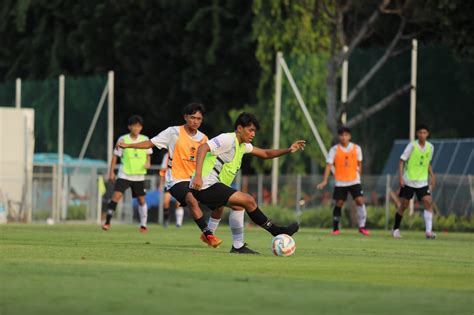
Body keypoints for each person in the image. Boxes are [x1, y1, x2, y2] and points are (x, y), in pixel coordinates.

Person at [190, 112, 305, 248]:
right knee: (248, 200)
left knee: (239, 206)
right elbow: (203, 147)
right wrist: (198, 175)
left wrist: (288, 150)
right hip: (204, 184)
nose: (253, 134)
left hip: (211, 185)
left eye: (254, 131)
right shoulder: (228, 139)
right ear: (239, 128)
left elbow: (265, 153)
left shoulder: (242, 146)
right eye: (250, 130)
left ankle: (236, 245)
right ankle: (276, 231)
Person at [117, 103, 223, 248]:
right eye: (192, 117)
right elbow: (151, 143)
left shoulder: (204, 138)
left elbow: (210, 160)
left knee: (220, 203)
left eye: (199, 118)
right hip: (176, 180)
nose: (196, 121)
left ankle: (230, 238)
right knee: (191, 199)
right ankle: (208, 235)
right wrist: (128, 146)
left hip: (196, 180)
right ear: (185, 117)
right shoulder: (173, 132)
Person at [103, 115, 152, 233]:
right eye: (134, 126)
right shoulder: (122, 139)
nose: (136, 128)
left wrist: (148, 163)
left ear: (141, 128)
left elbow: (148, 155)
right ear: (129, 127)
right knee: (116, 197)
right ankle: (107, 222)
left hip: (139, 176)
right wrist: (111, 172)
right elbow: (115, 156)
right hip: (124, 174)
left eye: (139, 126)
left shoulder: (145, 139)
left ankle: (143, 225)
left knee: (141, 200)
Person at [317, 127, 370, 236]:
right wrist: (324, 180)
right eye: (341, 135)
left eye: (346, 135)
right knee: (339, 203)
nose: (343, 137)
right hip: (340, 182)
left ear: (349, 136)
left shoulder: (356, 148)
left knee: (360, 201)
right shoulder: (334, 150)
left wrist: (359, 176)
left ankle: (362, 226)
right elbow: (328, 165)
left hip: (354, 180)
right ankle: (335, 228)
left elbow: (359, 164)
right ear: (338, 136)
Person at [393, 124, 436, 239]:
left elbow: (427, 163)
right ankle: (395, 229)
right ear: (417, 134)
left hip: (422, 182)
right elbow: (401, 161)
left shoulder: (431, 147)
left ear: (427, 134)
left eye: (424, 133)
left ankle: (428, 232)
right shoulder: (412, 146)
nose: (422, 135)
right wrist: (401, 177)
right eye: (420, 133)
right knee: (404, 205)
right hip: (409, 181)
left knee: (427, 201)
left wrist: (432, 176)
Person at [159, 152, 184, 227]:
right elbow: (163, 170)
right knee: (165, 202)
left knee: (178, 203)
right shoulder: (167, 155)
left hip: (179, 181)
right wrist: (161, 183)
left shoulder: (182, 153)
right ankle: (166, 220)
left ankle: (178, 223)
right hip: (168, 182)